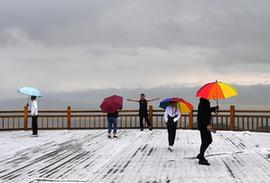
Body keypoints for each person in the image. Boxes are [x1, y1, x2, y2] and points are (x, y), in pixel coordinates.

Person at [196, 97, 219, 166]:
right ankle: (201, 158)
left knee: (207, 140)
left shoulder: (205, 102)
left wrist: (214, 108)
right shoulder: (204, 103)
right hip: (204, 125)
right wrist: (207, 125)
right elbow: (203, 115)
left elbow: (207, 111)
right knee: (206, 141)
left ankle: (200, 155)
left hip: (204, 125)